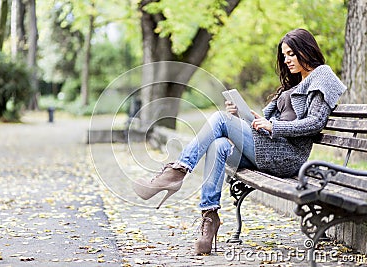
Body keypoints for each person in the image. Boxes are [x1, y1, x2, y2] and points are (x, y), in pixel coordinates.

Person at [133, 28, 346, 255]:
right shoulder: (294, 83)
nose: (287, 60)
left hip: (287, 157)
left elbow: (315, 123)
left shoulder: (322, 76)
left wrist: (274, 126)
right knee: (218, 145)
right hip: (269, 149)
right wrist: (244, 116)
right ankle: (209, 217)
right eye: (285, 56)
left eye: (292, 54)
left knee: (219, 119)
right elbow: (266, 119)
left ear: (306, 50)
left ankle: (177, 172)